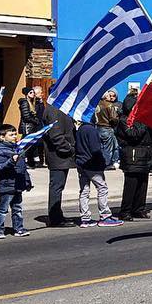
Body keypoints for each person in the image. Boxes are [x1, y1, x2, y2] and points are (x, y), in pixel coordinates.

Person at [75, 118, 123, 228]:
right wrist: (102, 162)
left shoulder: (81, 129)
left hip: (81, 163)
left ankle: (85, 217)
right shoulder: (91, 130)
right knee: (102, 188)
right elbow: (95, 149)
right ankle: (105, 215)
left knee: (84, 190)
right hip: (91, 164)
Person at [0, 124, 32, 239]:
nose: (14, 136)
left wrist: (27, 181)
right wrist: (11, 161)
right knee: (3, 209)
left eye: (15, 134)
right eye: (11, 135)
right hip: (6, 185)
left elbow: (22, 168)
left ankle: (18, 228)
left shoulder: (17, 148)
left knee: (17, 208)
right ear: (2, 137)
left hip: (18, 184)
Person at [41, 97, 78, 227]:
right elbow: (56, 136)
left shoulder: (59, 109)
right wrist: (70, 149)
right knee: (56, 187)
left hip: (62, 157)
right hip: (58, 156)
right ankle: (55, 218)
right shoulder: (54, 110)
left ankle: (58, 214)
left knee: (58, 186)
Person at [17, 86, 44, 168]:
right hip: (27, 127)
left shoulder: (32, 102)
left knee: (31, 145)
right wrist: (35, 120)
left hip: (31, 126)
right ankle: (24, 161)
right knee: (26, 145)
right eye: (31, 92)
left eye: (33, 92)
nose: (33, 94)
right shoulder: (25, 102)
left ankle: (31, 162)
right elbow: (26, 116)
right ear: (27, 94)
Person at [94, 89, 121, 169]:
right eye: (109, 95)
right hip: (107, 127)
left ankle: (100, 162)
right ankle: (106, 163)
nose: (111, 97)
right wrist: (116, 121)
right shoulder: (109, 105)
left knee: (101, 146)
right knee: (108, 147)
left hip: (98, 127)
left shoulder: (97, 105)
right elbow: (113, 118)